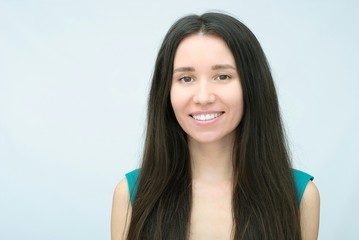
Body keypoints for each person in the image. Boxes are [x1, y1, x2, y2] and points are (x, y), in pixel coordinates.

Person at [111, 12, 320, 240]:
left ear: (252, 85)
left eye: (222, 76)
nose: (203, 97)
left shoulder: (300, 196)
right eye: (186, 78)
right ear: (166, 92)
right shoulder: (131, 194)